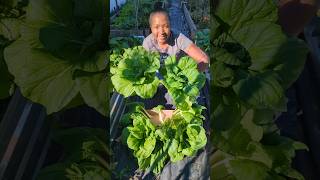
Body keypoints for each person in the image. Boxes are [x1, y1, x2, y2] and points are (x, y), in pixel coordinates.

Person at [143, 9, 209, 72]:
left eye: (166, 26)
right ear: (151, 28)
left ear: (170, 25)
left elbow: (204, 59)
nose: (161, 32)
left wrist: (188, 76)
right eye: (156, 27)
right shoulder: (147, 43)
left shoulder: (178, 38)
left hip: (177, 80)